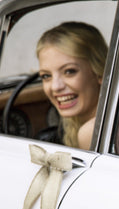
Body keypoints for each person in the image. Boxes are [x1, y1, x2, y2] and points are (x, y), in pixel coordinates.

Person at [37, 21, 108, 149]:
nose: (55, 86)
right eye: (46, 76)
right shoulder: (76, 125)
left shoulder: (92, 132)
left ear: (99, 73)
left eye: (69, 71)